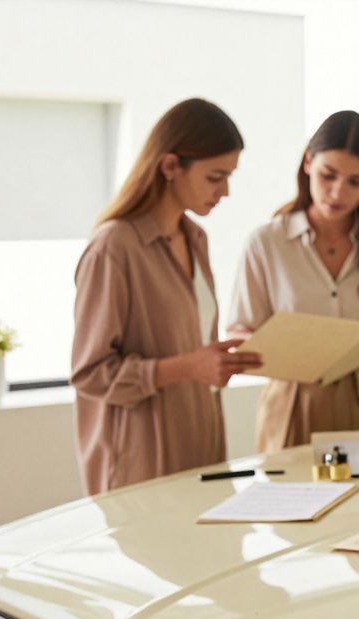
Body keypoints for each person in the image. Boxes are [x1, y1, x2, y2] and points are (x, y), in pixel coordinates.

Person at [71, 98, 262, 495]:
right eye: (215, 177)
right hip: (141, 463)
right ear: (170, 166)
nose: (225, 191)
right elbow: (90, 373)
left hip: (201, 445)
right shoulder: (114, 247)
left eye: (230, 177)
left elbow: (189, 348)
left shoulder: (196, 239)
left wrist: (219, 361)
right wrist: (188, 367)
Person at [228, 111, 359, 453]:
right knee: (289, 503)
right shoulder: (267, 243)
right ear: (308, 163)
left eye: (355, 181)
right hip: (291, 402)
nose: (337, 192)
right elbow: (239, 333)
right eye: (327, 175)